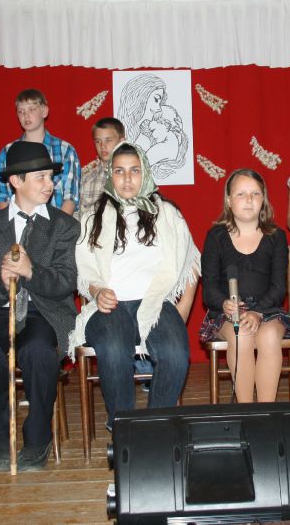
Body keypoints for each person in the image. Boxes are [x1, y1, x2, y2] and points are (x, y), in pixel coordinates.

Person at [69, 142, 198, 428]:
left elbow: (191, 263)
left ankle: (154, 426)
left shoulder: (168, 213)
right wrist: (97, 292)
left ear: (145, 173)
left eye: (134, 171)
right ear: (110, 176)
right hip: (110, 304)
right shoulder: (92, 217)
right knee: (114, 349)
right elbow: (85, 271)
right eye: (119, 171)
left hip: (155, 302)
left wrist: (182, 311)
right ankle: (123, 425)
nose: (127, 179)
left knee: (176, 354)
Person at [0, 141, 78, 471]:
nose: (49, 184)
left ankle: (38, 438)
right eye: (40, 177)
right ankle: (1, 437)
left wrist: (31, 271)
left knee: (38, 351)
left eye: (50, 177)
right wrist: (1, 281)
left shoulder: (65, 227)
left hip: (45, 310)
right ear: (16, 181)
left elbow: (66, 282)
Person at [199, 169, 290, 403]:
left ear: (263, 199)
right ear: (229, 200)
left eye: (255, 193)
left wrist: (258, 312)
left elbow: (278, 288)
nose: (248, 199)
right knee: (243, 337)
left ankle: (265, 412)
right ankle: (246, 410)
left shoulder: (276, 236)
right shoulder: (216, 236)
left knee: (269, 337)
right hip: (229, 313)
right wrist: (224, 304)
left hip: (267, 310)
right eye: (241, 194)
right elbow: (208, 289)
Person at [0, 88, 81, 215]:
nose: (26, 115)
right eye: (21, 111)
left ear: (44, 111)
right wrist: (11, 226)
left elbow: (70, 197)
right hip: (17, 223)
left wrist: (58, 227)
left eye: (32, 109)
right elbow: (2, 197)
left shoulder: (65, 149)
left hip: (55, 222)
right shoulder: (8, 152)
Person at [116, 74, 188, 179]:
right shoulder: (131, 135)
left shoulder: (159, 142)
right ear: (140, 99)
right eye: (156, 100)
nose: (158, 109)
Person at [78, 117, 125, 221]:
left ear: (121, 142)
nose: (103, 146)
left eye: (108, 140)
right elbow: (78, 216)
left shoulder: (134, 179)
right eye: (98, 141)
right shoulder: (86, 180)